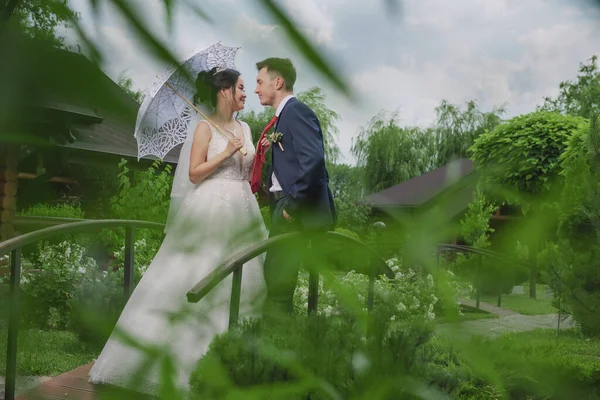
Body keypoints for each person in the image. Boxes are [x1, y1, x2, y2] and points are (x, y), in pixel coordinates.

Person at [88, 67, 267, 395]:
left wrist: (257, 151)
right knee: (197, 273)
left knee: (240, 282)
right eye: (241, 88)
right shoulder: (203, 127)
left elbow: (249, 170)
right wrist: (226, 152)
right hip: (209, 209)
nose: (245, 93)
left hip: (243, 211)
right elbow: (195, 174)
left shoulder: (245, 127)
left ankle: (233, 365)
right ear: (224, 91)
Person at [252, 57, 336, 315]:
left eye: (259, 82)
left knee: (278, 286)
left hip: (295, 214)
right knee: (277, 283)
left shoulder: (296, 111)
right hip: (284, 208)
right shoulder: (283, 117)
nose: (256, 89)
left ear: (278, 82)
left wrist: (291, 207)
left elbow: (313, 161)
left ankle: (280, 349)